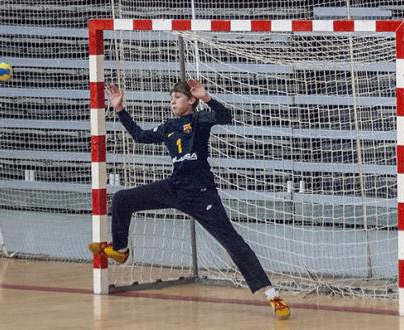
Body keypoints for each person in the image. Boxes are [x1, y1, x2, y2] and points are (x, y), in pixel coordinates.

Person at [88, 79, 290, 319]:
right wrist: (120, 109)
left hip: (201, 193)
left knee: (233, 242)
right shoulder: (168, 127)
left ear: (191, 100)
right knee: (123, 198)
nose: (172, 101)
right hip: (175, 188)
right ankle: (120, 250)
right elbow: (140, 135)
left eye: (177, 97)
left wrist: (206, 97)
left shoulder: (199, 120)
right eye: (171, 98)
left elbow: (225, 116)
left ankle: (273, 296)